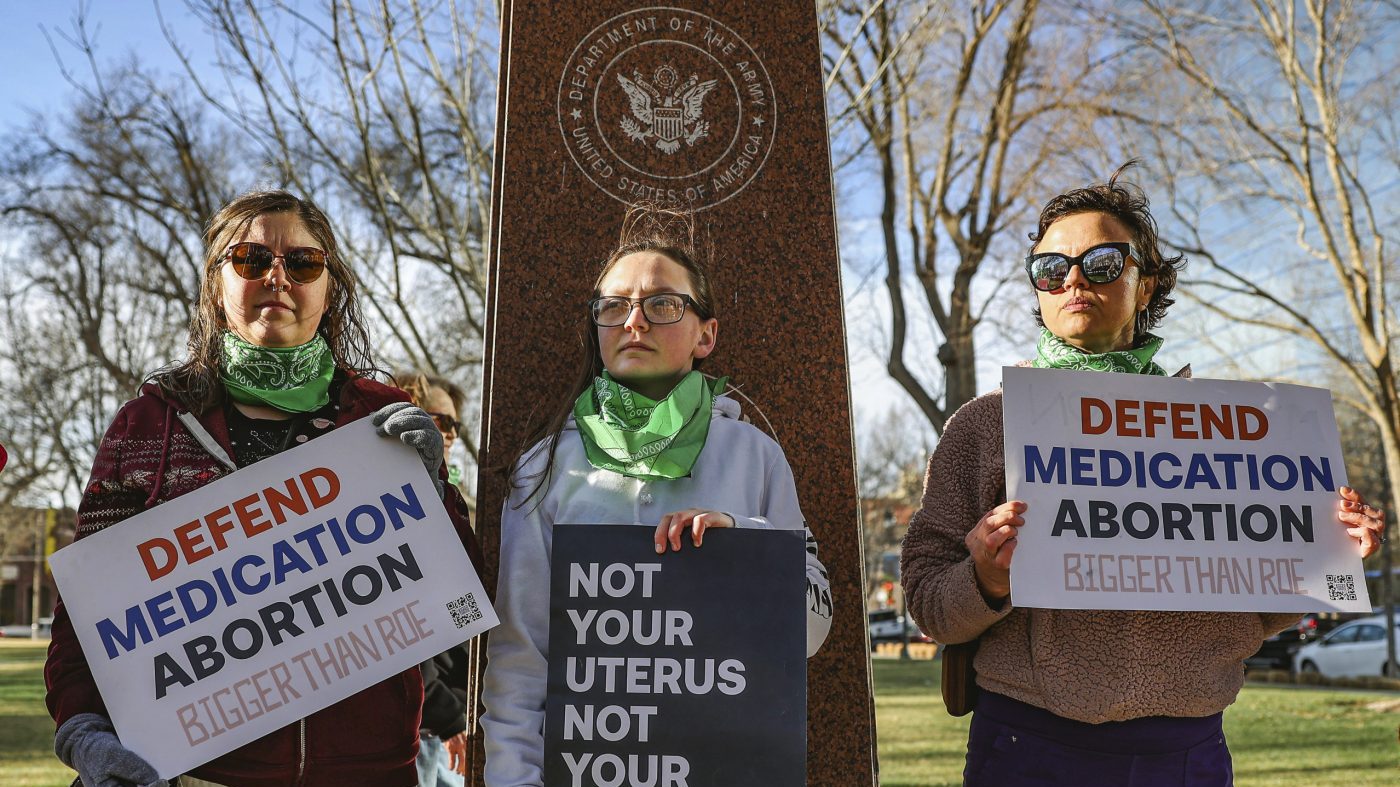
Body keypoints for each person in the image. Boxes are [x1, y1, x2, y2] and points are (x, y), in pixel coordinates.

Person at [900, 165, 1387, 787]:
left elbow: (1259, 609)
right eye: (1051, 269)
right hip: (1027, 741)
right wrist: (987, 578)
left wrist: (1324, 553)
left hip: (1188, 749)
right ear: (1040, 291)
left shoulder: (1236, 430)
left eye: (1102, 262)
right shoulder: (983, 425)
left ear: (1147, 284)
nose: (1073, 278)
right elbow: (928, 602)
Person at [44, 190, 482, 787]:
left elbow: (463, 595)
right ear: (216, 282)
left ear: (330, 289)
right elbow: (87, 616)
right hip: (202, 773)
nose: (278, 276)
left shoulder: (380, 417)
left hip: (372, 773)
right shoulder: (149, 424)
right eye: (251, 259)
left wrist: (437, 495)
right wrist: (83, 731)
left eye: (303, 263)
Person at [480, 205, 835, 786]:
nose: (634, 322)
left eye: (662, 304)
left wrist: (745, 548)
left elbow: (813, 635)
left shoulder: (756, 456)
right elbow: (521, 657)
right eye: (614, 306)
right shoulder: (543, 468)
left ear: (706, 334)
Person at [398, 370, 473, 787]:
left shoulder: (457, 507)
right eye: (437, 420)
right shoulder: (387, 505)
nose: (448, 434)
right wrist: (447, 716)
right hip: (417, 732)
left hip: (448, 731)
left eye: (454, 425)